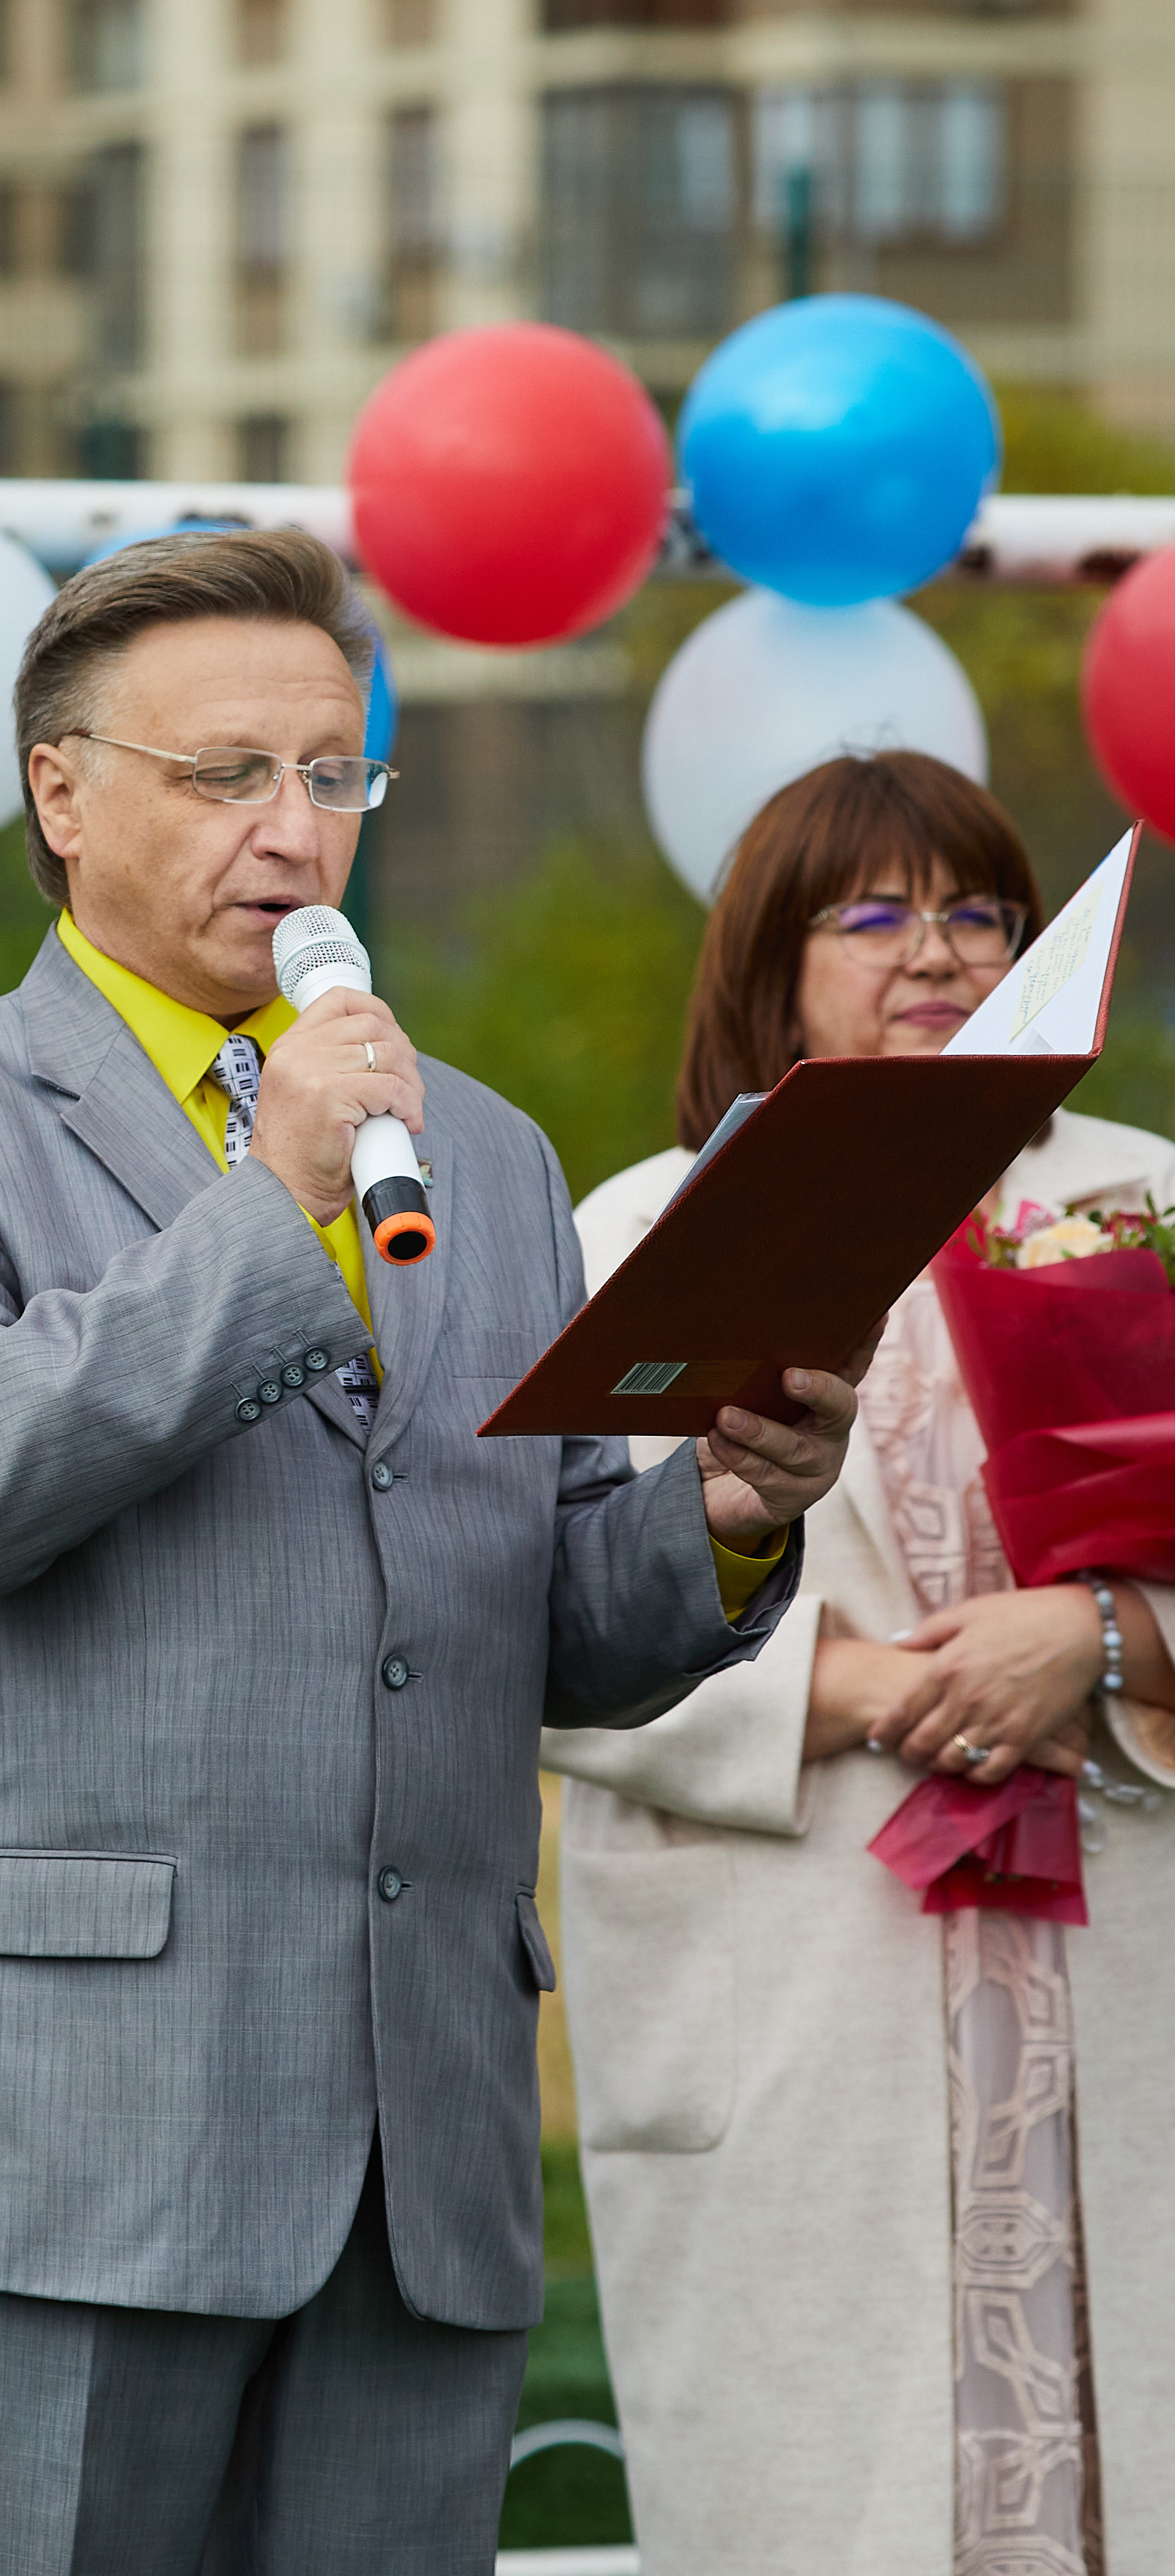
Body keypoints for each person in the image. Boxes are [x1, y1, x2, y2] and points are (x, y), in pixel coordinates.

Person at [0, 529, 865, 2576]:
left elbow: (522, 1618)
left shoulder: (487, 1152)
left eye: (333, 775)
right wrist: (271, 1202)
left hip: (407, 2143)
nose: (293, 830)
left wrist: (718, 1511)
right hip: (46, 2137)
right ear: (59, 795)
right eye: (225, 774)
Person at [548, 750, 1175, 2576]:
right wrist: (854, 1688)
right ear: (771, 954)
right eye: (877, 913)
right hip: (798, 1988)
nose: (941, 951)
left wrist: (1107, 1637)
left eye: (981, 911)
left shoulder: (1141, 1206)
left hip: (1118, 1965)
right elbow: (524, 1615)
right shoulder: (642, 1223)